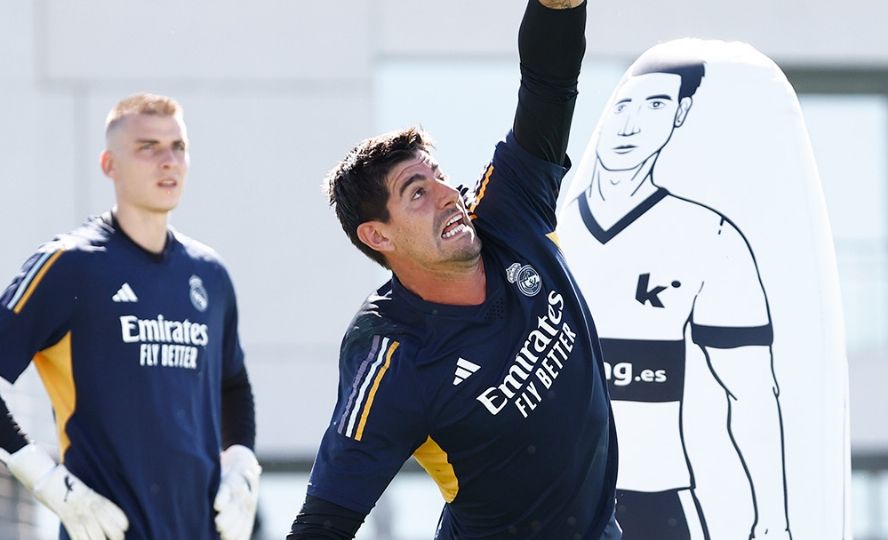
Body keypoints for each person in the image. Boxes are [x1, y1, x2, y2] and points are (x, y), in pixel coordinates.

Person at [288, 1, 620, 539]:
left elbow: (548, 84)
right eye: (416, 193)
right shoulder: (392, 354)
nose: (447, 195)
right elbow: (326, 520)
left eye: (438, 175)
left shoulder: (508, 211)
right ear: (378, 235)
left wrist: (559, 8)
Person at [0, 94, 261, 540]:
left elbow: (233, 383)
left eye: (179, 146)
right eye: (148, 147)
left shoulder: (209, 274)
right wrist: (46, 481)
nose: (168, 160)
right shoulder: (70, 264)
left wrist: (243, 467)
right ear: (109, 164)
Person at [557, 54, 792, 539]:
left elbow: (751, 391)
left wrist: (773, 523)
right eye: (622, 107)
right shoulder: (545, 234)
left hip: (652, 503)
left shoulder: (709, 237)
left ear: (680, 115)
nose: (631, 125)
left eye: (656, 104)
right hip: (547, 500)